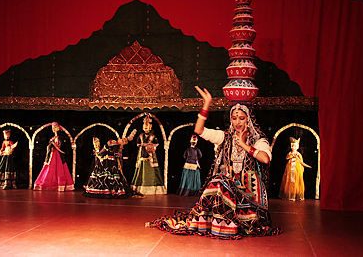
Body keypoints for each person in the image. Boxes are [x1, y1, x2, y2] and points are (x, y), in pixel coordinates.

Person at [147, 86, 280, 239]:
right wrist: (206, 105)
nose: (237, 122)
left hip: (248, 196)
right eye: (234, 118)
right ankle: (216, 224)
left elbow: (265, 158)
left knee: (220, 183)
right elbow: (199, 130)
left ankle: (225, 225)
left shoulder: (257, 140)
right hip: (227, 186)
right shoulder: (225, 137)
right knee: (218, 182)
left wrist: (243, 144)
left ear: (248, 119)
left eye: (242, 118)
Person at [83, 131, 142, 198]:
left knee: (112, 177)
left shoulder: (116, 145)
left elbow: (106, 154)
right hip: (107, 163)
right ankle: (108, 190)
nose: (123, 141)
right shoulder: (111, 142)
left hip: (111, 163)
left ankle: (111, 190)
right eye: (123, 140)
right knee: (107, 177)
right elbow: (102, 153)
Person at [33, 122, 74, 191]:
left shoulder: (59, 137)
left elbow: (59, 146)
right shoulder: (53, 137)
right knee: (49, 169)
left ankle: (60, 185)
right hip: (52, 154)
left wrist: (54, 145)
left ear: (58, 128)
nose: (54, 129)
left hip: (57, 155)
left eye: (55, 127)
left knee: (59, 169)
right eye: (53, 128)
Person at [131, 115, 166, 195]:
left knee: (152, 172)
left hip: (150, 156)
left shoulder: (153, 136)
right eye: (144, 125)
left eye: (148, 125)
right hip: (142, 155)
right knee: (141, 171)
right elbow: (137, 144)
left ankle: (153, 189)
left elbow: (156, 144)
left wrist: (151, 146)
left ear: (150, 126)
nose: (146, 126)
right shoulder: (140, 136)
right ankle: (139, 188)